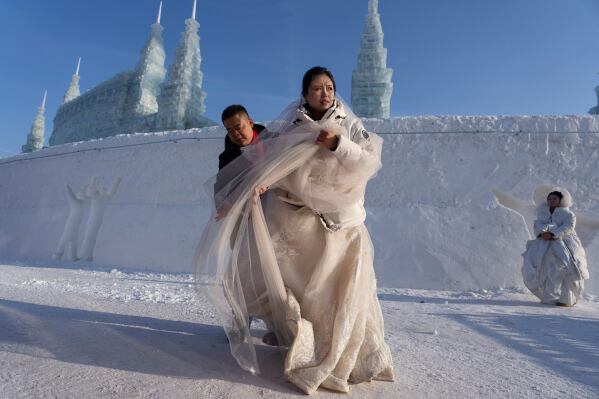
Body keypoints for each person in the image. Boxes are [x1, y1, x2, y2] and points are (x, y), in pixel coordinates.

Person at [194, 66, 394, 394]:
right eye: (317, 89)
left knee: (339, 286)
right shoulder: (289, 128)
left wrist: (338, 145)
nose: (325, 93)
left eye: (329, 87)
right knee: (278, 274)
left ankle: (341, 349)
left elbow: (369, 162)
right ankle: (273, 325)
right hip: (293, 215)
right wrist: (246, 193)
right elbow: (273, 167)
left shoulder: (347, 124)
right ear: (305, 94)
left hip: (341, 218)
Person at [522, 189, 590, 306]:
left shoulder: (568, 214)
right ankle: (549, 297)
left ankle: (567, 299)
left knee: (566, 268)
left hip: (566, 242)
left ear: (560, 201)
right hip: (545, 243)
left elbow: (568, 227)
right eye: (549, 199)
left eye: (554, 198)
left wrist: (554, 234)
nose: (551, 200)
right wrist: (542, 233)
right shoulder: (543, 213)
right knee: (546, 267)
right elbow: (537, 225)